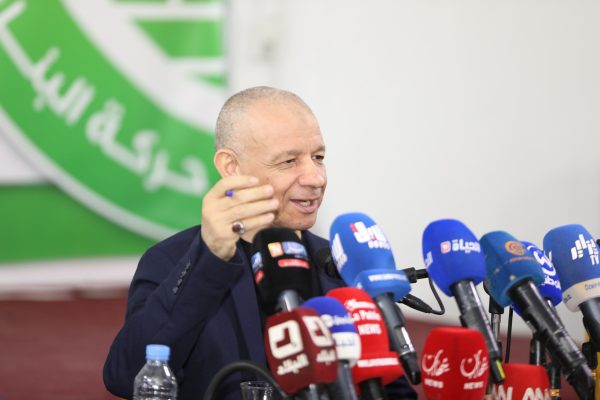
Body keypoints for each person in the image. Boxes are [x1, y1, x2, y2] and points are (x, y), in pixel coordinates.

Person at [103, 86, 417, 399]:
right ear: (231, 167)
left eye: (318, 157)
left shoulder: (341, 263)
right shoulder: (173, 261)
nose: (316, 178)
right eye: (289, 161)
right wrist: (210, 258)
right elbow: (126, 376)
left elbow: (394, 391)